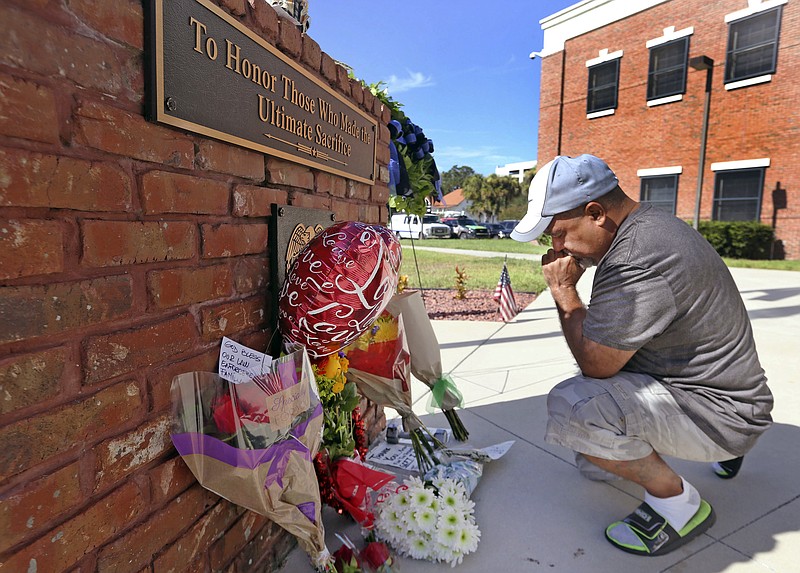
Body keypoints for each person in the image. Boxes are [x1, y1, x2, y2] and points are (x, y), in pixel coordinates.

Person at [511, 154, 773, 556]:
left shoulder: (635, 258)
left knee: (574, 407)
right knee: (590, 451)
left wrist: (564, 291)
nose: (556, 247)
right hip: (731, 396)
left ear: (595, 212)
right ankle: (726, 450)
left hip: (725, 415)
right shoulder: (650, 226)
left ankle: (678, 504)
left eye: (559, 232)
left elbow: (596, 364)